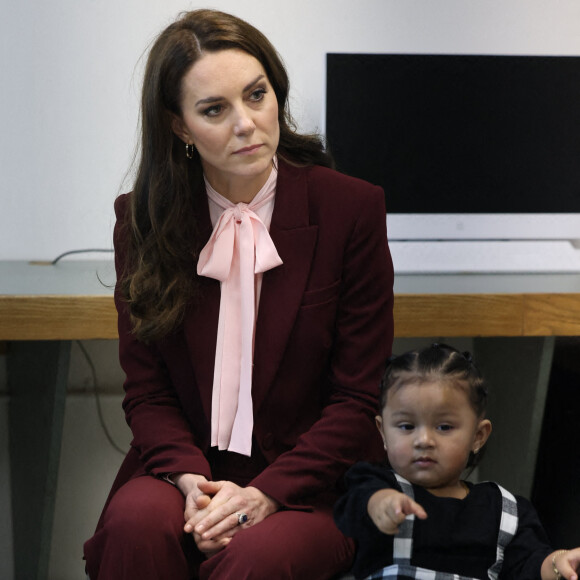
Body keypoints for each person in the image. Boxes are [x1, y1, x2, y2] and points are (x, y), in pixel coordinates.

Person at [83, 8, 394, 580]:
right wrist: (190, 481)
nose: (247, 123)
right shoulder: (142, 220)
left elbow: (356, 400)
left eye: (257, 95)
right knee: (135, 527)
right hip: (188, 469)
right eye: (214, 110)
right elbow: (147, 394)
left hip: (313, 481)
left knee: (255, 558)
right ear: (179, 126)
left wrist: (266, 494)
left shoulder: (351, 208)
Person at [334, 343, 580, 580]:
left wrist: (558, 563)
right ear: (383, 432)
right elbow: (355, 507)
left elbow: (529, 564)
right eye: (407, 426)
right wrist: (380, 504)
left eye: (444, 427)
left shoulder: (506, 510)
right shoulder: (376, 484)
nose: (423, 440)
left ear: (478, 436)